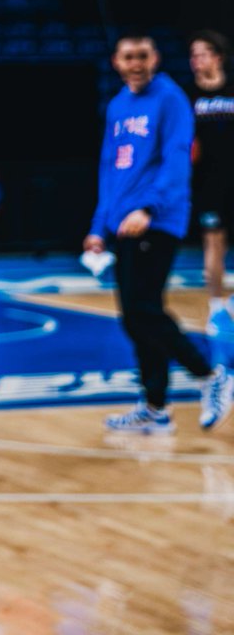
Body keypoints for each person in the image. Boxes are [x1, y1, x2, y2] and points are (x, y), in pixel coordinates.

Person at [84, 33, 232, 433]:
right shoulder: (117, 106)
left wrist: (149, 208)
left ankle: (209, 375)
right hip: (122, 224)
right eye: (128, 57)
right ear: (115, 61)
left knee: (144, 309)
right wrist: (99, 226)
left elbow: (176, 160)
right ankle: (154, 406)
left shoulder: (170, 98)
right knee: (134, 317)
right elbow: (109, 171)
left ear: (155, 59)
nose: (136, 64)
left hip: (158, 220)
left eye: (143, 56)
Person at [186, 30, 234, 344]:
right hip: (208, 183)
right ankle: (217, 307)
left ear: (218, 56)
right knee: (212, 245)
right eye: (192, 55)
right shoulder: (189, 96)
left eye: (202, 53)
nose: (195, 60)